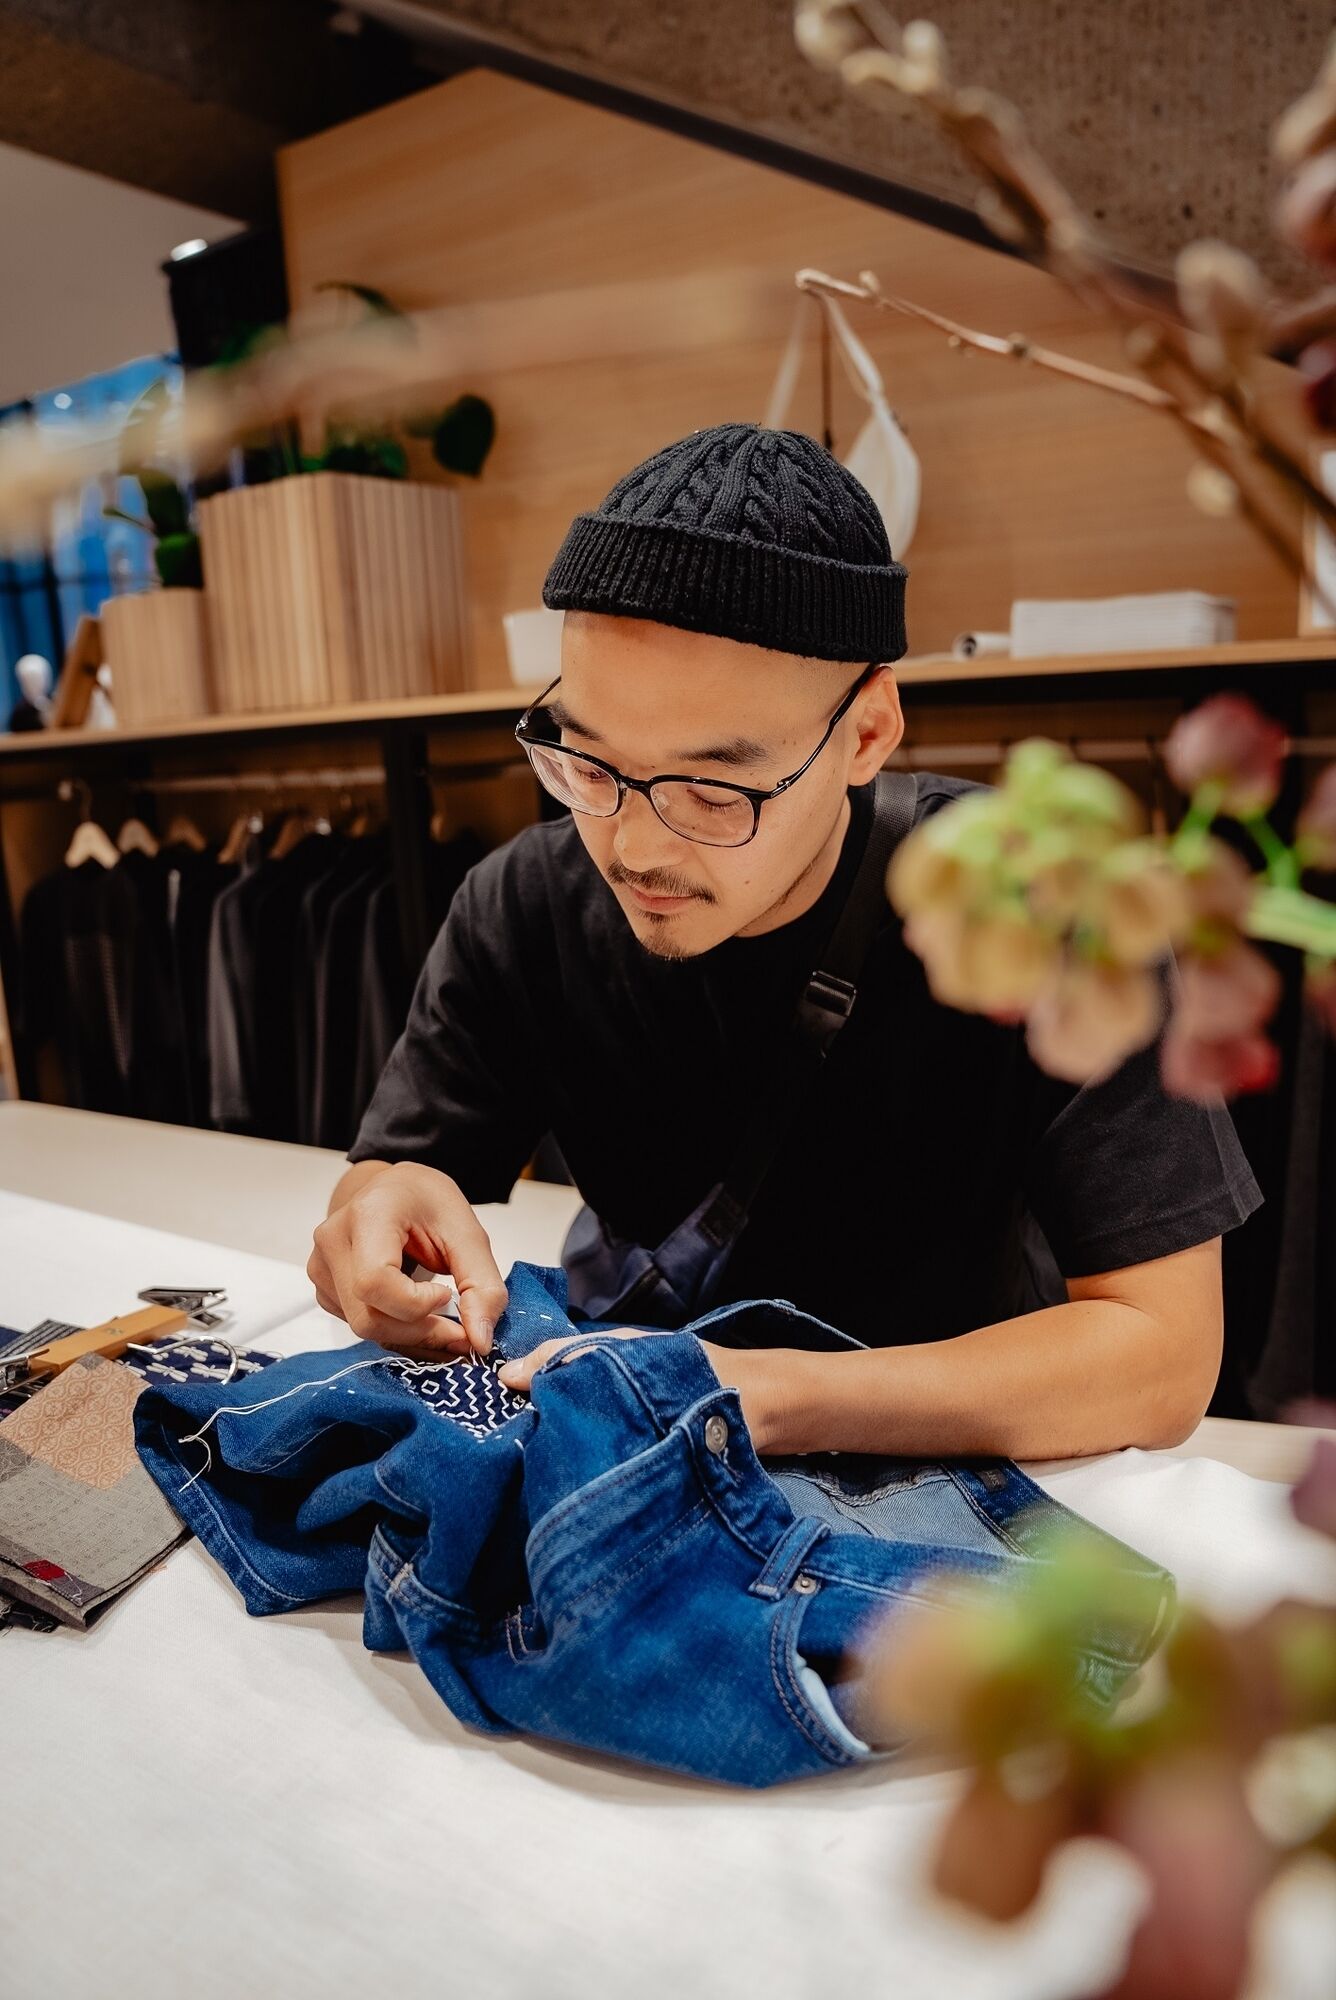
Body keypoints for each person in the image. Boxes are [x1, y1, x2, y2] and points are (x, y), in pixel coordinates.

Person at [309, 423, 1263, 1463]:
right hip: (623, 1423)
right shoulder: (520, 900)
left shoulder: (1041, 907)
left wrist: (764, 1393)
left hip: (960, 1467)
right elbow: (399, 1167)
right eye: (586, 761)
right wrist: (375, 1210)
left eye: (713, 788)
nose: (631, 844)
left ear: (865, 733)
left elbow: (1163, 1355)